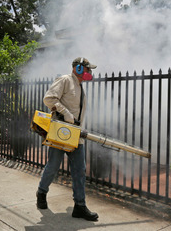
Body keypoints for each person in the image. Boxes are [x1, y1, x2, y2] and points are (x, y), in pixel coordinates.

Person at [36, 57, 98, 221]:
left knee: (79, 170)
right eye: (87, 69)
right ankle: (41, 193)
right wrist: (66, 113)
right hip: (60, 132)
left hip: (75, 134)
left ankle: (79, 206)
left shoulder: (80, 87)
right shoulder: (64, 80)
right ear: (78, 69)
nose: (89, 73)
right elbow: (49, 99)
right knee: (54, 165)